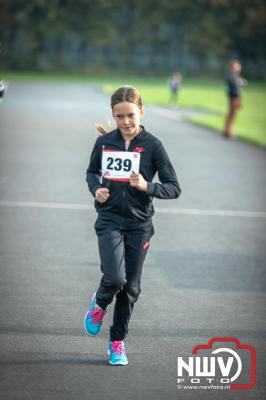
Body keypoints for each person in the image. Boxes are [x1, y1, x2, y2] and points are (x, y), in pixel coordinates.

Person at [84, 85, 181, 366]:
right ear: (113, 116)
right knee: (115, 279)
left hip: (140, 225)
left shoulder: (153, 145)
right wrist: (96, 189)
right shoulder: (104, 144)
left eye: (130, 115)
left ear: (141, 112)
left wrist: (146, 186)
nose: (125, 122)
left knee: (131, 288)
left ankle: (117, 342)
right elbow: (91, 172)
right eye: (119, 116)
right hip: (109, 220)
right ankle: (100, 301)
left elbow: (173, 187)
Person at [224, 59, 247, 139]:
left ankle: (228, 132)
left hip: (236, 97)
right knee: (231, 115)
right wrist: (239, 82)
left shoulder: (235, 76)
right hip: (234, 97)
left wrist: (241, 82)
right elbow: (235, 83)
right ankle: (228, 132)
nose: (238, 68)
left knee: (233, 115)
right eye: (236, 67)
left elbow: (244, 83)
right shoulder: (231, 76)